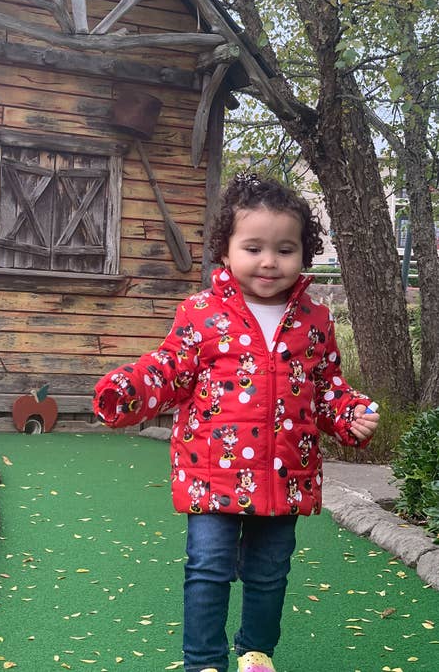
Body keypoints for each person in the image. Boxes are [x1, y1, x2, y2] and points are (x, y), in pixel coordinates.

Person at [92, 174, 379, 672]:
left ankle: (255, 652)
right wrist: (130, 389)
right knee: (208, 568)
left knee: (270, 574)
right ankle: (203, 661)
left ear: (304, 254)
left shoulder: (315, 320)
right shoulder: (202, 314)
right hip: (211, 472)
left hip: (285, 474)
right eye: (253, 247)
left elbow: (327, 387)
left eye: (285, 249)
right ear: (225, 252)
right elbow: (169, 366)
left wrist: (350, 414)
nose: (269, 261)